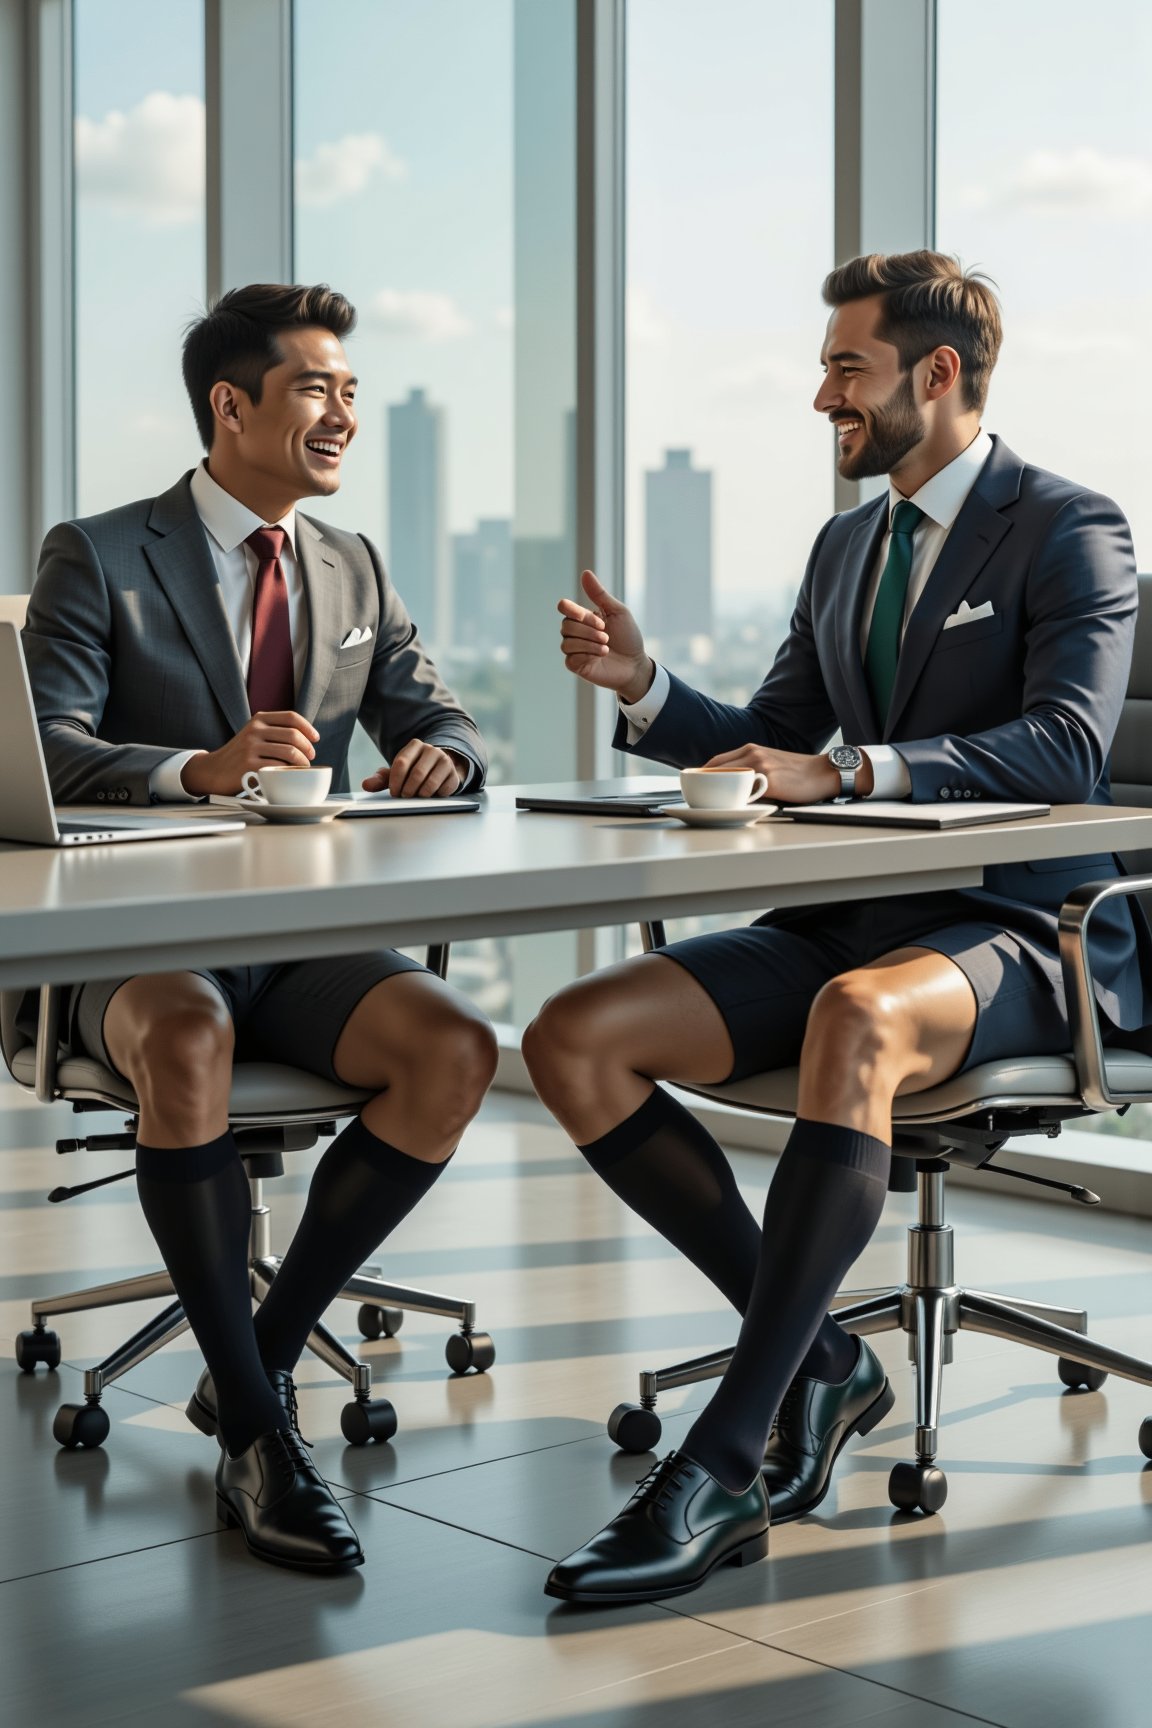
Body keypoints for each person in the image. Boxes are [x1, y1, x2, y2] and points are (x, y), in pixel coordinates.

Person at [524, 250, 1151, 1605]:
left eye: (847, 368)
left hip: (1027, 931)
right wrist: (645, 688)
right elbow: (774, 747)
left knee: (852, 1022)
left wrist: (860, 773)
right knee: (574, 1035)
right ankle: (821, 1360)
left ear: (938, 374)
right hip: (856, 916)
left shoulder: (1070, 526)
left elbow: (1064, 745)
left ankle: (728, 1461)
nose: (822, 397)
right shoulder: (845, 547)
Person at [21, 283, 499, 1574]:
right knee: (184, 1040)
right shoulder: (100, 552)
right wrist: (198, 766)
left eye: (352, 390)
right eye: (316, 390)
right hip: (135, 937)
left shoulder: (350, 565)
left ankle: (252, 1372)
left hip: (300, 934)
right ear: (232, 407)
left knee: (454, 1047)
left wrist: (444, 760)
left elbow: (436, 714)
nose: (346, 413)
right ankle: (265, 1447)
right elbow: (46, 750)